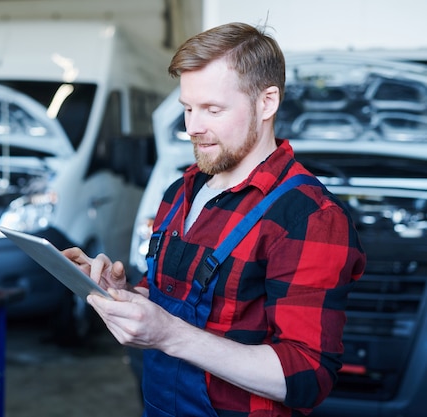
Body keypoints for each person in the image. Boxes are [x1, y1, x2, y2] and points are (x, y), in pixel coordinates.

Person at [63, 22, 366, 417]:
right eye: (188, 108)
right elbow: (172, 302)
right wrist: (123, 295)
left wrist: (169, 335)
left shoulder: (307, 217)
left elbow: (306, 376)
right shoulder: (179, 194)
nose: (192, 127)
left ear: (267, 102)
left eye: (212, 109)